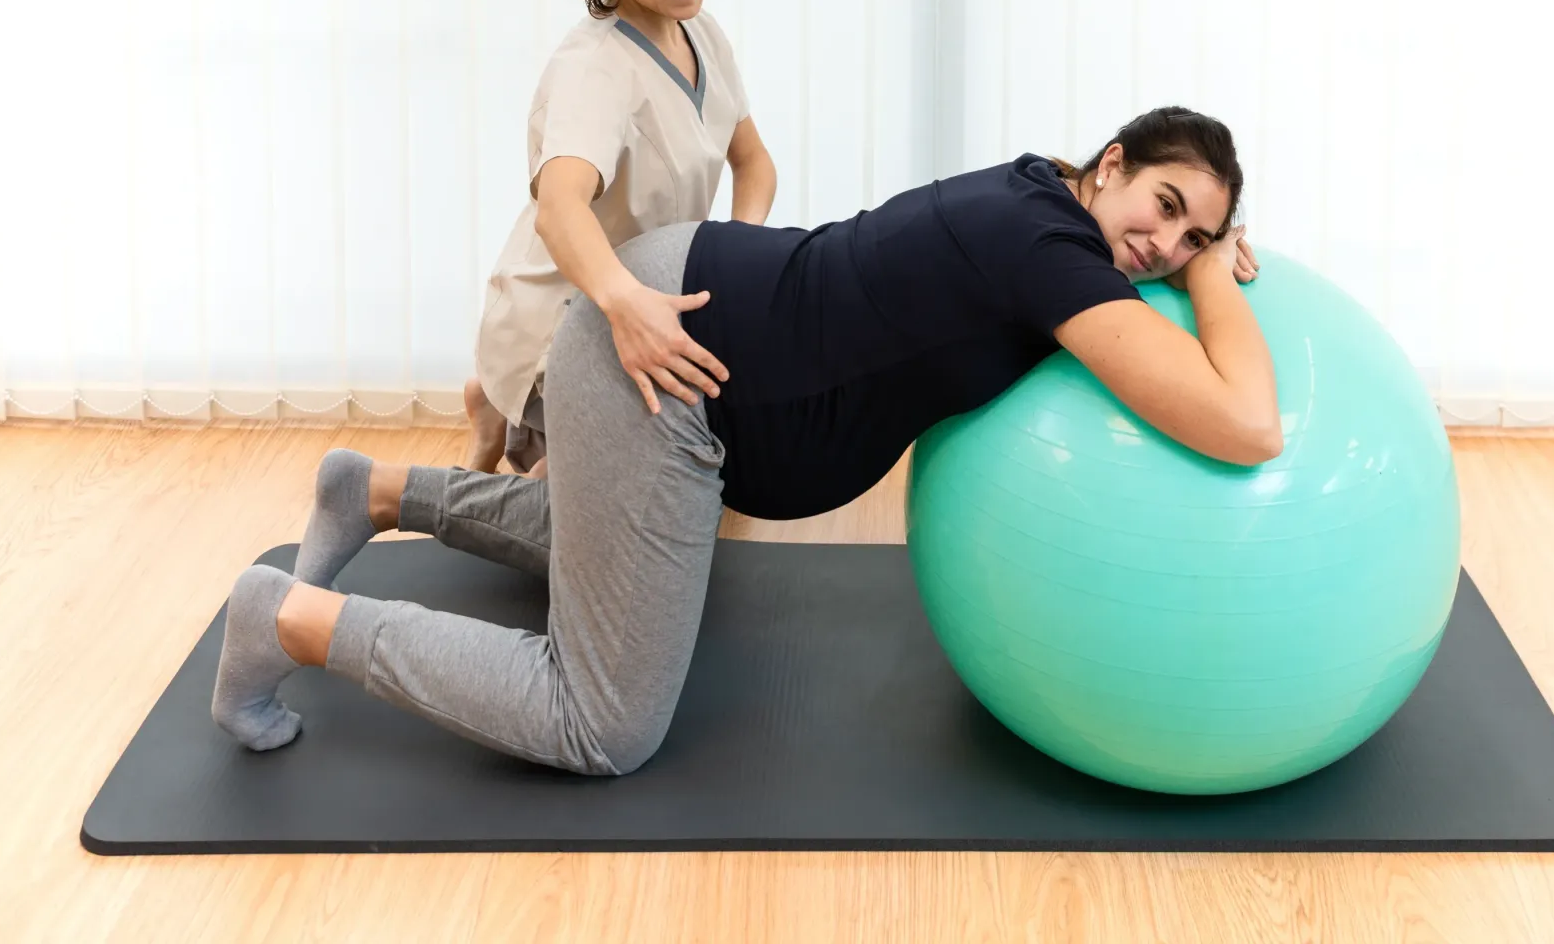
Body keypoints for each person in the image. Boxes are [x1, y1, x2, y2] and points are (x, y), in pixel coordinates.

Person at [212, 107, 1273, 776]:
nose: (1164, 247)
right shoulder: (1049, 251)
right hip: (665, 362)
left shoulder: (1043, 189)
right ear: (1114, 161)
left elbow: (1105, 238)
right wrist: (1219, 277)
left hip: (691, 318)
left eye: (1193, 238)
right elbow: (1245, 425)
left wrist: (1190, 253)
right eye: (1165, 207)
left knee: (628, 539)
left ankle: (381, 490)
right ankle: (292, 620)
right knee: (603, 722)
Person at [465, 0, 778, 476]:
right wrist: (624, 303)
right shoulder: (596, 69)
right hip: (564, 315)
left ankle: (495, 414)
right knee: (624, 473)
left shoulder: (703, 36)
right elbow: (558, 210)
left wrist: (739, 258)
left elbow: (754, 162)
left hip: (651, 295)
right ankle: (496, 411)